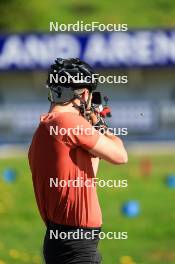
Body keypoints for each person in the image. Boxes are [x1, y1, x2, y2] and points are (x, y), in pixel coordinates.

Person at [28, 58, 128, 264]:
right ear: (83, 94)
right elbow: (120, 156)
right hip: (77, 242)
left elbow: (88, 177)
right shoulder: (68, 122)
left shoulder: (44, 130)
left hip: (66, 239)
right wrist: (99, 124)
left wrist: (90, 125)